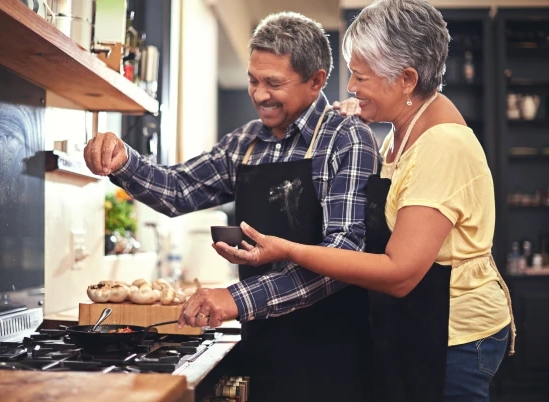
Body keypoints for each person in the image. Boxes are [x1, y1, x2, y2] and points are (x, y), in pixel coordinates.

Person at [208, 1, 516, 401]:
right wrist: (372, 106)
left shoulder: (442, 146)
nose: (351, 87)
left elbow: (400, 273)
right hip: (417, 327)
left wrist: (287, 250)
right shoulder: (403, 130)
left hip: (454, 338)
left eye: (361, 76)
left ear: (406, 79)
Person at [84, 12, 379, 402]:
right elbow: (178, 189)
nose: (259, 94)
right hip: (261, 347)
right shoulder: (245, 143)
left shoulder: (346, 138)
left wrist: (237, 298)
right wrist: (123, 161)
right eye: (253, 80)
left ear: (316, 81)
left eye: (274, 83)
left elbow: (344, 254)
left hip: (331, 355)